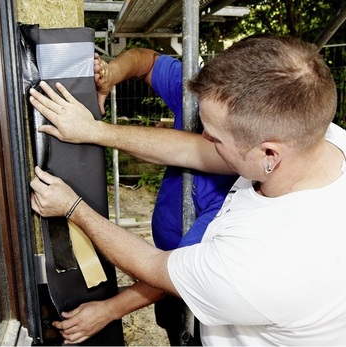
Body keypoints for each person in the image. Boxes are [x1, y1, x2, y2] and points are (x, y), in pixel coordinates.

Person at [29, 35, 346, 345]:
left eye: (214, 136)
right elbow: (192, 151)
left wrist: (72, 206)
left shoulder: (258, 263)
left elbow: (154, 265)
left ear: (269, 154)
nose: (204, 139)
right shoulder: (337, 147)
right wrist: (93, 131)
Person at [50, 48, 237, 344]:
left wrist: (109, 310)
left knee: (191, 334)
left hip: (188, 282)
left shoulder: (235, 199)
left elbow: (173, 272)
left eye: (214, 135)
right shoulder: (208, 97)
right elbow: (145, 60)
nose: (202, 138)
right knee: (170, 325)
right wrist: (111, 74)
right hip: (163, 261)